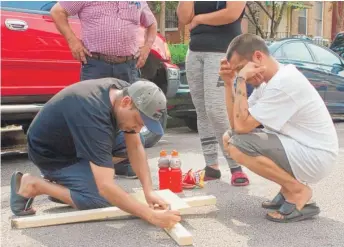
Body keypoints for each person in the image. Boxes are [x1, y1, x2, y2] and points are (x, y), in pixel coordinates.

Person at [10, 78, 181, 229]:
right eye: (138, 121)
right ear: (126, 102)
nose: (138, 128)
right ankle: (33, 184)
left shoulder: (126, 92)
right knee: (99, 199)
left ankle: (77, 183)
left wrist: (148, 191)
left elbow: (135, 147)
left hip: (75, 139)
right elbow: (106, 187)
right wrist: (151, 216)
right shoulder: (93, 117)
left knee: (135, 141)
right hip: (51, 153)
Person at [220, 33, 339, 222]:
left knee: (238, 144)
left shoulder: (283, 83)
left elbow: (241, 128)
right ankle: (288, 189)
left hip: (316, 156)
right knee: (230, 138)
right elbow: (235, 124)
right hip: (303, 148)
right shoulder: (268, 84)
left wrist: (241, 79)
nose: (243, 75)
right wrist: (229, 83)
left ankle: (298, 191)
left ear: (258, 57)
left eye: (241, 68)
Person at [51, 1, 158, 179]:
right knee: (91, 115)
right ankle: (87, 166)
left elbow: (152, 24)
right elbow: (57, 12)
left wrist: (147, 48)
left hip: (128, 65)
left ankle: (123, 161)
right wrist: (73, 41)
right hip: (95, 63)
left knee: (127, 114)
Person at [177, 1, 249, 186]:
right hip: (195, 53)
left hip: (221, 53)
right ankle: (211, 166)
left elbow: (231, 14)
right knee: (202, 111)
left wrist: (200, 18)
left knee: (216, 110)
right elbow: (184, 18)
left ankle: (235, 166)